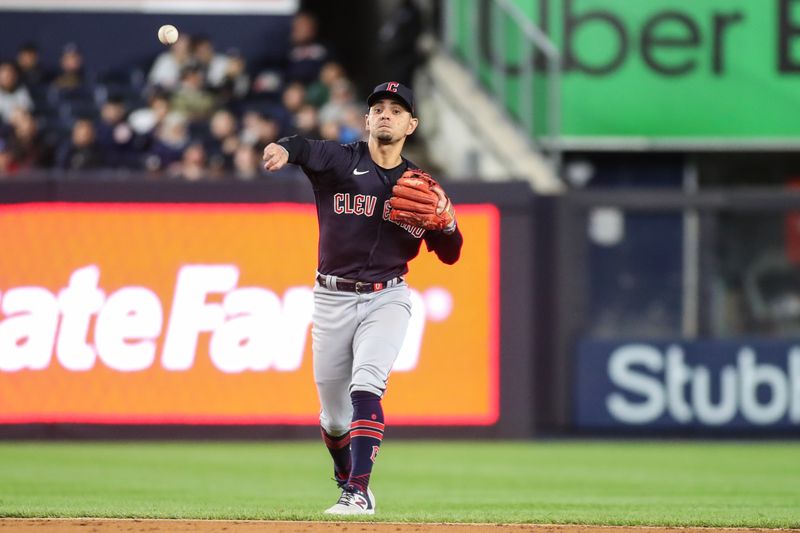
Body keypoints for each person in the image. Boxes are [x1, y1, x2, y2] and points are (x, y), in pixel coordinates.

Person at [261, 81, 462, 515]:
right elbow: (303, 146)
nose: (386, 114)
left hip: (387, 298)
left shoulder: (420, 187)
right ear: (367, 120)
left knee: (366, 384)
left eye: (396, 109)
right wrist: (282, 148)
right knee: (333, 419)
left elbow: (450, 256)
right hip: (330, 298)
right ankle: (346, 477)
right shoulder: (340, 160)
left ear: (412, 124)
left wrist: (446, 225)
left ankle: (357, 491)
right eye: (378, 108)